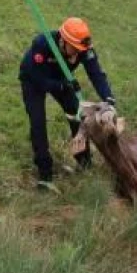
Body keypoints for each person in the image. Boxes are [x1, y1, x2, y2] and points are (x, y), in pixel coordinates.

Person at [18, 17, 116, 191]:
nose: (78, 54)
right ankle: (45, 173)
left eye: (81, 51)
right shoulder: (42, 44)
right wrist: (61, 86)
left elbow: (96, 74)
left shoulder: (84, 49)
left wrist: (108, 99)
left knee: (78, 118)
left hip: (61, 79)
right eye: (75, 50)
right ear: (63, 41)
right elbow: (37, 78)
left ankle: (84, 163)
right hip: (33, 79)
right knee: (38, 122)